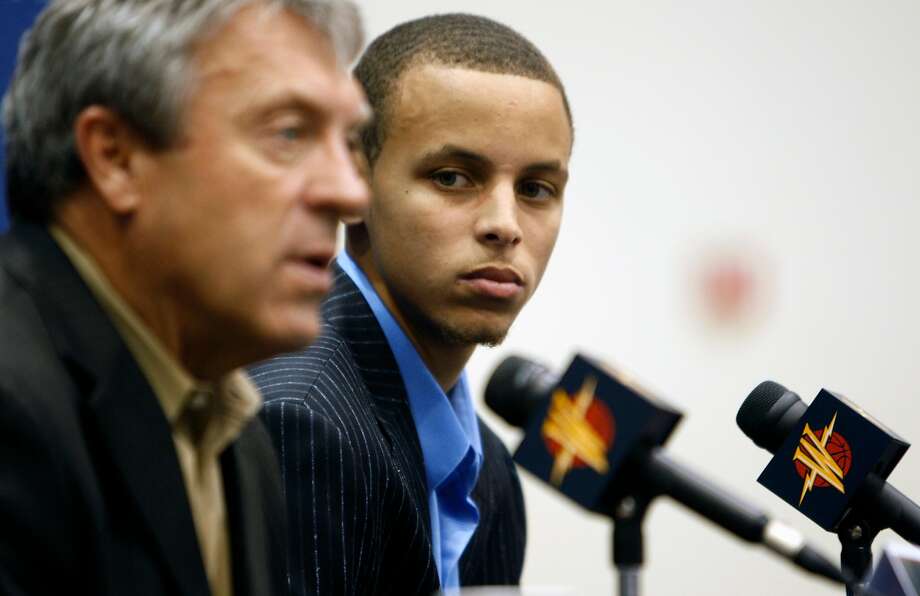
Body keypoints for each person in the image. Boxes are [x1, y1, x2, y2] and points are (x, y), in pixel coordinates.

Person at [0, 1, 369, 595]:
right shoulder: (14, 401)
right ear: (116, 157)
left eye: (349, 140)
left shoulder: (234, 433)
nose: (350, 194)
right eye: (289, 132)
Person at [250, 13, 574, 595]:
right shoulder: (302, 419)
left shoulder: (491, 472)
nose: (505, 225)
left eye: (535, 189)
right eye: (453, 177)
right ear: (352, 183)